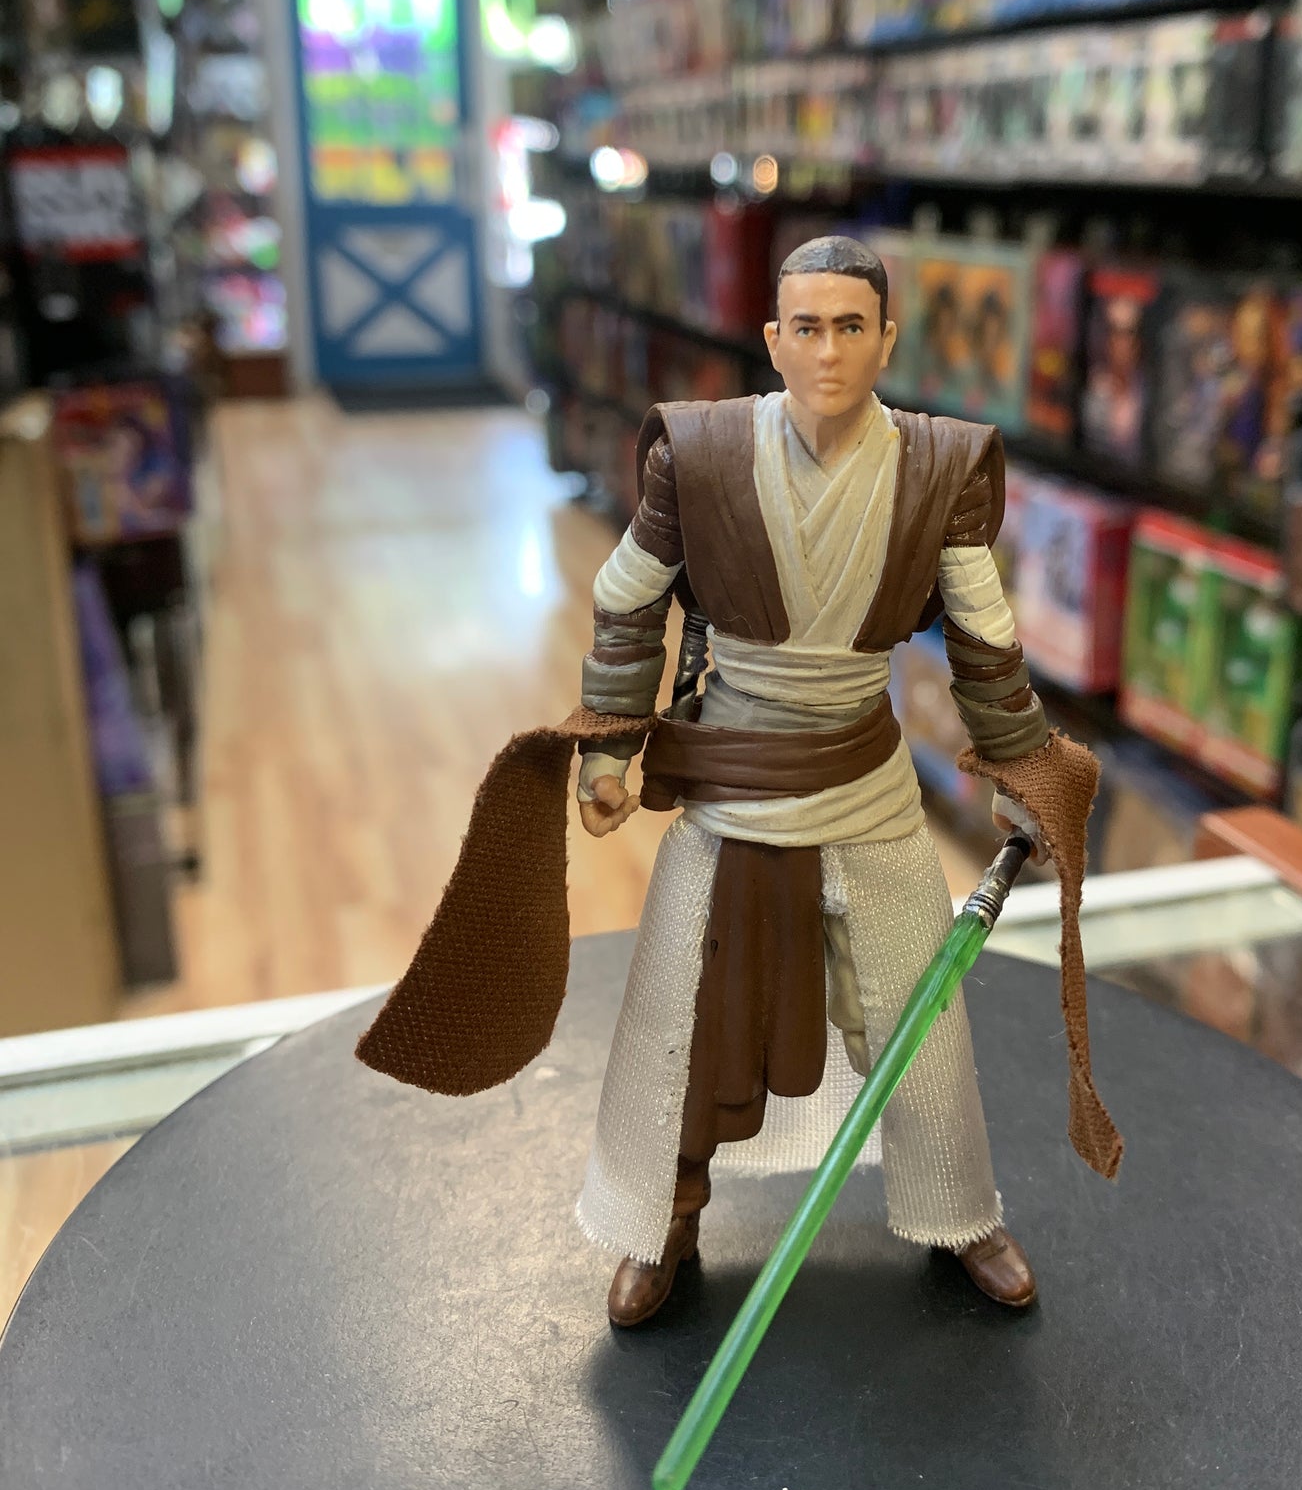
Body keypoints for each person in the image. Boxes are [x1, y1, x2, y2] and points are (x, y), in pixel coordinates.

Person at [355, 235, 1121, 1328]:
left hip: (864, 784)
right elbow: (629, 597)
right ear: (772, 338)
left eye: (850, 327)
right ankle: (664, 1218)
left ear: (887, 340)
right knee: (681, 1019)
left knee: (918, 1019)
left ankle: (958, 1210)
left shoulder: (940, 467)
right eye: (807, 327)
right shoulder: (701, 452)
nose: (828, 351)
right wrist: (611, 747)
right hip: (733, 781)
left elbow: (984, 642)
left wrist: (1021, 766)